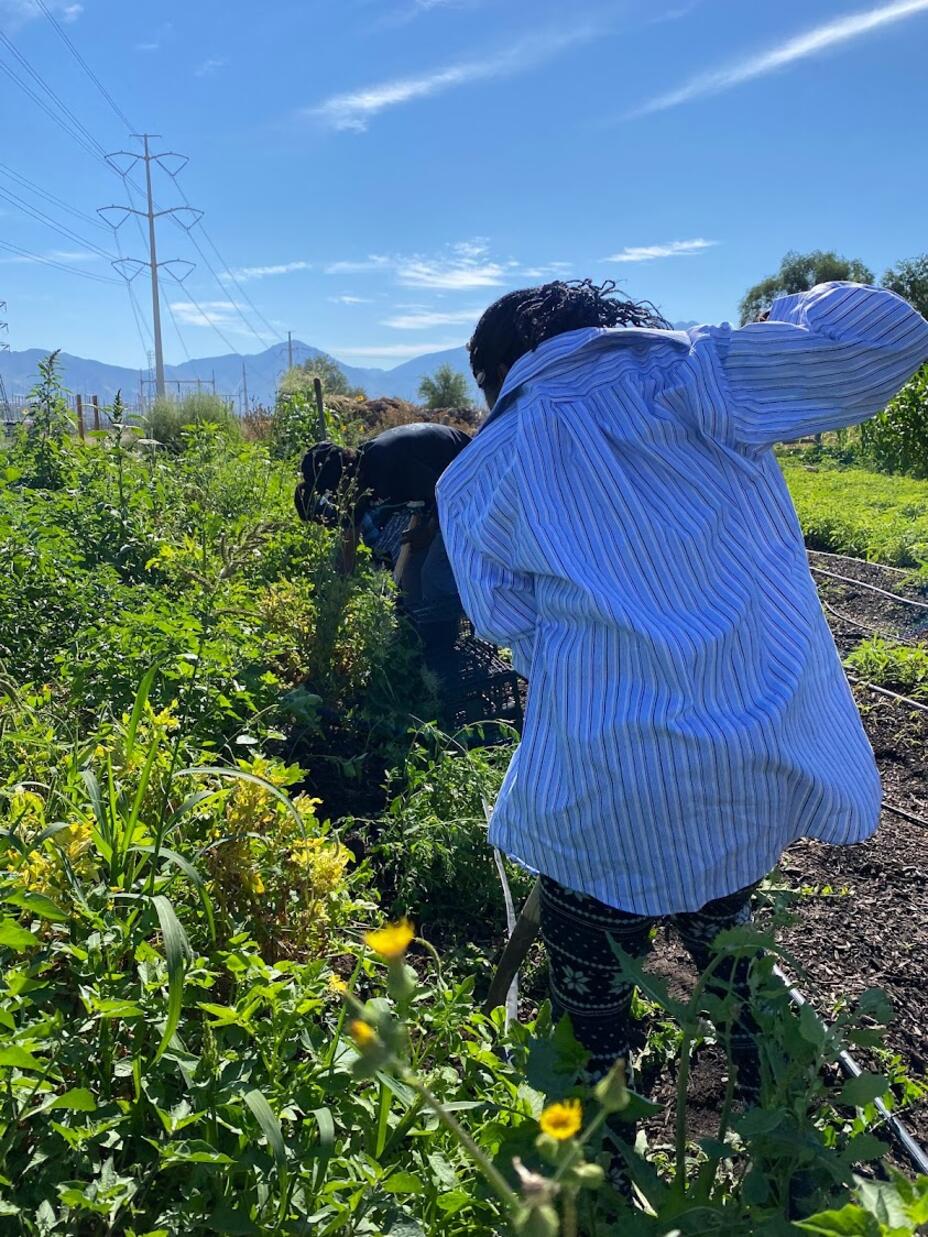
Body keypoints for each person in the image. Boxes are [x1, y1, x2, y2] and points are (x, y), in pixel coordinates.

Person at [436, 278, 928, 1100]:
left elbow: (507, 621)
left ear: (496, 376)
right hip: (741, 772)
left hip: (599, 791)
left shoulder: (482, 468)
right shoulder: (697, 376)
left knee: (591, 1011)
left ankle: (601, 1168)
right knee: (727, 942)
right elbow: (888, 335)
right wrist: (765, 328)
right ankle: (778, 1129)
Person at [295, 421, 471, 650]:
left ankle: (448, 644)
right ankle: (417, 639)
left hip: (470, 476)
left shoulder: (384, 461)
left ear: (345, 474)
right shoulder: (356, 486)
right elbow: (347, 552)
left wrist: (428, 530)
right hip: (440, 493)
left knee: (434, 573)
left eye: (337, 492)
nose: (338, 500)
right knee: (411, 568)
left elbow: (443, 489)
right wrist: (335, 601)